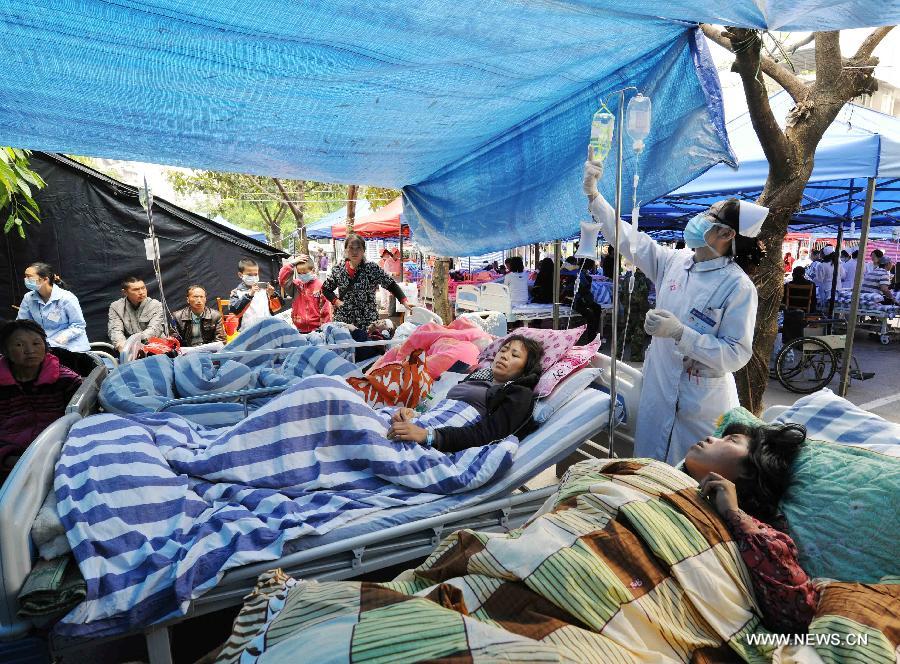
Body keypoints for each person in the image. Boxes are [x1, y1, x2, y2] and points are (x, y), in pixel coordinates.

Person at [583, 158, 763, 463]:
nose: (701, 218)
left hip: (699, 402)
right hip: (659, 385)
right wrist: (594, 196)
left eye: (710, 215)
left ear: (728, 234)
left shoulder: (738, 287)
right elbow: (629, 240)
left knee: (686, 478)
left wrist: (682, 333)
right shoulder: (675, 262)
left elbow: (736, 354)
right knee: (649, 470)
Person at [684, 421, 818, 634]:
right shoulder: (662, 475)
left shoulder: (761, 534)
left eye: (731, 440)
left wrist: (734, 515)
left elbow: (797, 610)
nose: (711, 438)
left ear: (748, 470)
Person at [386, 335, 543, 452]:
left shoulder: (519, 393)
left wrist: (429, 436)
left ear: (526, 368)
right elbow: (442, 407)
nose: (504, 355)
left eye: (514, 355)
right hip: (427, 423)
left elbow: (489, 434)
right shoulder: (479, 377)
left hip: (438, 440)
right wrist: (412, 414)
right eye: (503, 350)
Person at [0, 320, 83, 482]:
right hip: (9, 459)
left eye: (36, 343)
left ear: (45, 346)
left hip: (57, 452)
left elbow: (78, 423)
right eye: (19, 345)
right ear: (5, 351)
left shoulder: (67, 380)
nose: (30, 350)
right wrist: (8, 458)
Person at [322, 234, 410, 330]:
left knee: (368, 344)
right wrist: (337, 301)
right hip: (344, 321)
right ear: (346, 250)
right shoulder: (338, 269)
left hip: (368, 322)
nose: (355, 252)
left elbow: (390, 284)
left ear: (364, 250)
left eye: (358, 248)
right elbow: (326, 289)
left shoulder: (371, 268)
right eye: (351, 248)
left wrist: (404, 300)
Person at [16, 263, 89, 352]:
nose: (25, 280)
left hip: (70, 348)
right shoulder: (28, 298)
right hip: (44, 347)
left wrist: (65, 336)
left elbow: (79, 325)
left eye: (29, 277)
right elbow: (23, 323)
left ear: (45, 279)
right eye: (25, 276)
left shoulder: (67, 298)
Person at [108, 276, 166, 352]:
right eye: (136, 290)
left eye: (143, 288)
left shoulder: (156, 305)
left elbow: (154, 329)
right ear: (125, 292)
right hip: (129, 349)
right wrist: (121, 345)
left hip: (155, 347)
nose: (141, 292)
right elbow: (115, 330)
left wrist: (135, 343)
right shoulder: (116, 307)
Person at [278, 254, 333, 333]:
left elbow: (326, 308)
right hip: (299, 329)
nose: (302, 275)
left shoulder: (320, 286)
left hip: (317, 330)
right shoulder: (296, 286)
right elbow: (283, 280)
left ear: (313, 270)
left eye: (305, 273)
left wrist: (325, 327)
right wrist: (291, 264)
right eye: (300, 273)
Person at [229, 258, 281, 331]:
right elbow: (236, 312)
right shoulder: (236, 292)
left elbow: (277, 307)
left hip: (267, 328)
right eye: (250, 275)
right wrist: (250, 295)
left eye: (255, 274)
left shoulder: (264, 289)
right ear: (240, 275)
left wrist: (273, 295)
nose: (253, 277)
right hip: (247, 331)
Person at [810, 245, 844, 309]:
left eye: (821, 254)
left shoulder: (821, 265)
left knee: (826, 310)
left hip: (826, 290)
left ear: (824, 255)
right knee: (836, 309)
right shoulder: (838, 264)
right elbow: (842, 275)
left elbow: (819, 279)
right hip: (838, 289)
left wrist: (813, 278)